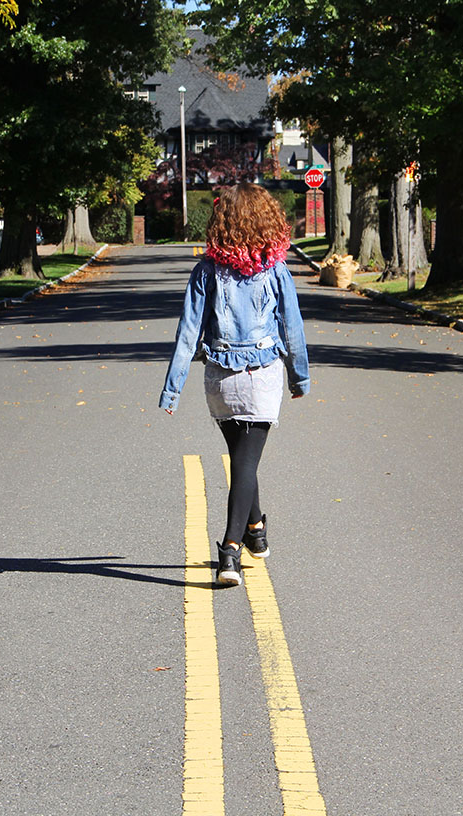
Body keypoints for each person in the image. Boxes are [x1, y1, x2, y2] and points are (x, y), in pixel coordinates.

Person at [160, 183, 310, 587]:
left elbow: (187, 333)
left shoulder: (205, 271)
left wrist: (173, 388)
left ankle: (256, 528)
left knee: (243, 459)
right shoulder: (277, 270)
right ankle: (230, 551)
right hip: (261, 376)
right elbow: (292, 330)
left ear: (221, 222)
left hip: (221, 379)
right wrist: (299, 377)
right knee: (245, 462)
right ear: (268, 221)